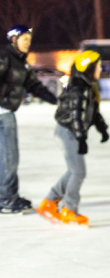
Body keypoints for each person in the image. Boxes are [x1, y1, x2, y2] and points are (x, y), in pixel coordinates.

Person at [36, 51, 109, 226]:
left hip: (70, 131)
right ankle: (69, 209)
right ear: (89, 67)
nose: (101, 68)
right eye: (98, 65)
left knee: (73, 170)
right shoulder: (79, 87)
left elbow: (92, 112)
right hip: (68, 131)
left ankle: (49, 202)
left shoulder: (86, 85)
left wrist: (102, 128)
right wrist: (81, 138)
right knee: (78, 171)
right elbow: (76, 115)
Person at [0, 25, 58, 214]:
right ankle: (6, 198)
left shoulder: (22, 62)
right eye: (24, 39)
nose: (28, 43)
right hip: (2, 112)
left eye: (29, 40)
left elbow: (33, 85)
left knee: (9, 157)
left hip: (7, 112)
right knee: (9, 157)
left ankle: (9, 195)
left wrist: (54, 99)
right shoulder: (4, 57)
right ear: (14, 40)